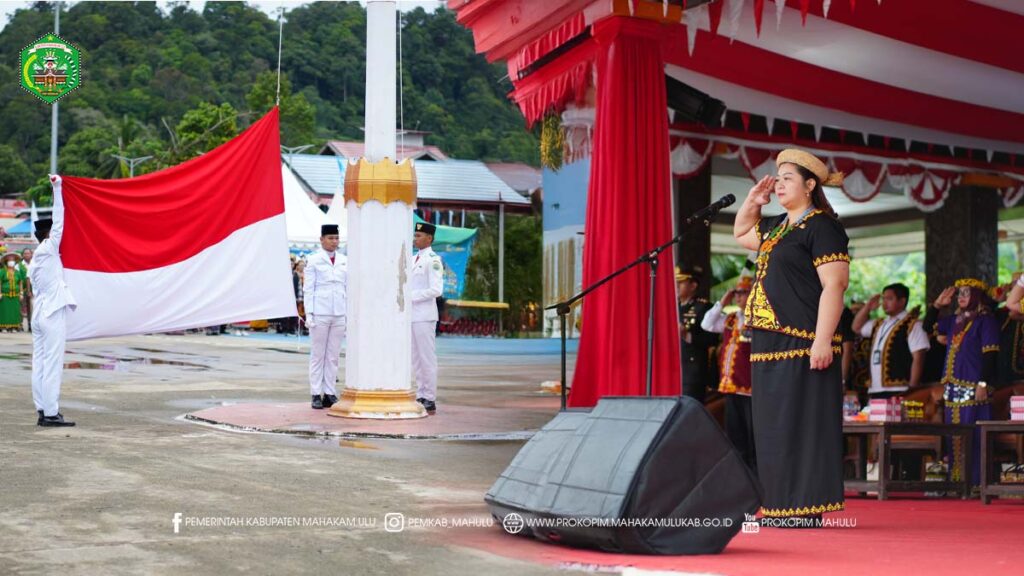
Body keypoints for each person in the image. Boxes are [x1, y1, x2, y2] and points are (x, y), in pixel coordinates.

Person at [733, 149, 850, 524]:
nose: (779, 183)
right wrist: (753, 201)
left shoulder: (822, 226)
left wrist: (822, 340)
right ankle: (779, 504)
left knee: (801, 423)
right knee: (773, 424)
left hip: (802, 339)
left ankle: (803, 508)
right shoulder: (777, 227)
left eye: (787, 178)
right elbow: (741, 233)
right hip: (769, 340)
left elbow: (835, 285)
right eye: (777, 177)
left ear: (810, 185)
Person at [922, 280, 999, 486]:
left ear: (977, 295)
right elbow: (927, 327)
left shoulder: (986, 320)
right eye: (959, 294)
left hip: (974, 385)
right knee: (954, 434)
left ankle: (975, 484)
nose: (961, 297)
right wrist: (937, 305)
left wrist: (982, 383)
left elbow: (990, 353)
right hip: (952, 387)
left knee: (973, 434)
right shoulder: (955, 320)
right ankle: (957, 482)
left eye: (967, 293)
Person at [29, 175, 77, 427]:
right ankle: (50, 413)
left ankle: (41, 408)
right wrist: (57, 188)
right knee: (52, 362)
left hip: (39, 312)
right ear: (47, 235)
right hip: (52, 312)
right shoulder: (48, 248)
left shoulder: (35, 258)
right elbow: (59, 219)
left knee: (39, 361)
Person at [700, 274, 756, 473]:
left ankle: (757, 476)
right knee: (735, 435)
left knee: (753, 437)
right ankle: (742, 476)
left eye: (743, 293)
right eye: (737, 293)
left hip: (751, 388)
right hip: (731, 387)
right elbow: (706, 324)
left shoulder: (759, 319)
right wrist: (723, 301)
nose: (739, 297)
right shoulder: (731, 318)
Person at [851, 283, 930, 399]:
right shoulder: (879, 323)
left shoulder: (913, 325)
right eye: (883, 299)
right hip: (875, 388)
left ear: (902, 301)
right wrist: (867, 307)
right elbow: (856, 328)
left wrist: (912, 390)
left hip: (900, 389)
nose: (884, 303)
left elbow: (918, 358)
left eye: (889, 299)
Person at [303, 224, 347, 410]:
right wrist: (309, 314)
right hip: (320, 312)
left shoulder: (345, 260)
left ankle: (329, 392)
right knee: (318, 355)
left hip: (339, 312)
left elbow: (348, 288)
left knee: (333, 356)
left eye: (336, 238)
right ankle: (315, 393)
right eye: (330, 238)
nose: (334, 242)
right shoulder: (313, 260)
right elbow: (308, 289)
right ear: (321, 240)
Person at [411, 222, 443, 414]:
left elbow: (436, 290)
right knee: (416, 358)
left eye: (419, 236)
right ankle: (421, 393)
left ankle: (429, 396)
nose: (415, 239)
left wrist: (412, 297)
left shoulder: (433, 260)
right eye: (415, 235)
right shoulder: (413, 258)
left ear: (429, 238)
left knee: (427, 358)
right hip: (412, 315)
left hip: (424, 315)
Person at [676, 265, 716, 404]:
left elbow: (712, 339)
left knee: (688, 409)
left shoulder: (703, 307)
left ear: (693, 285)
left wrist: (687, 335)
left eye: (681, 282)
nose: (677, 285)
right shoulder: (673, 306)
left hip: (693, 371)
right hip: (674, 368)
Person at [1, 252, 27, 331]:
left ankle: (14, 326)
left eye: (13, 260)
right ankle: (3, 327)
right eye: (9, 260)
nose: (11, 261)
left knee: (15, 311)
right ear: (6, 261)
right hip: (5, 295)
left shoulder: (17, 272)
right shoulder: (2, 271)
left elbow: (20, 283)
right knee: (4, 311)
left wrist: (21, 293)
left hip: (15, 295)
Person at [20, 248, 33, 331]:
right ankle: (20, 324)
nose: (27, 255)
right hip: (22, 289)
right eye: (25, 253)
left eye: (28, 253)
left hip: (33, 289)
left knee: (31, 308)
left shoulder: (35, 264)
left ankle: (30, 325)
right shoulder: (19, 265)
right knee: (21, 307)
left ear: (31, 254)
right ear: (22, 255)